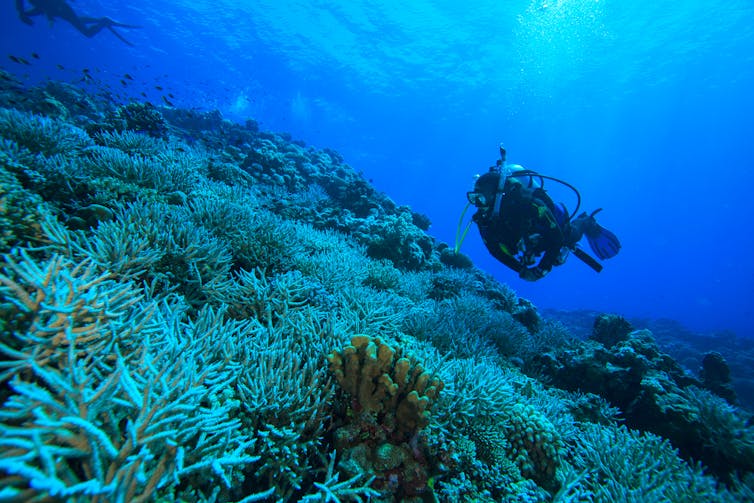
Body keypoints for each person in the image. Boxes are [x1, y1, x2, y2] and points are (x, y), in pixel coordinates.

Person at [458, 145, 620, 281]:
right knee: (547, 251)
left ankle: (585, 222)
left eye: (480, 199)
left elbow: (557, 237)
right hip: (528, 239)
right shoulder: (484, 218)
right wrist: (520, 269)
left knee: (568, 236)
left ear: (495, 195)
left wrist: (541, 270)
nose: (477, 205)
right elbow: (494, 250)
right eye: (474, 199)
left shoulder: (529, 204)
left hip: (554, 226)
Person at [15, 0, 140, 46]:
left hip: (59, 8)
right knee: (76, 21)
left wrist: (22, 13)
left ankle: (103, 22)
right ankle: (100, 20)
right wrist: (22, 14)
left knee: (86, 32)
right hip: (54, 10)